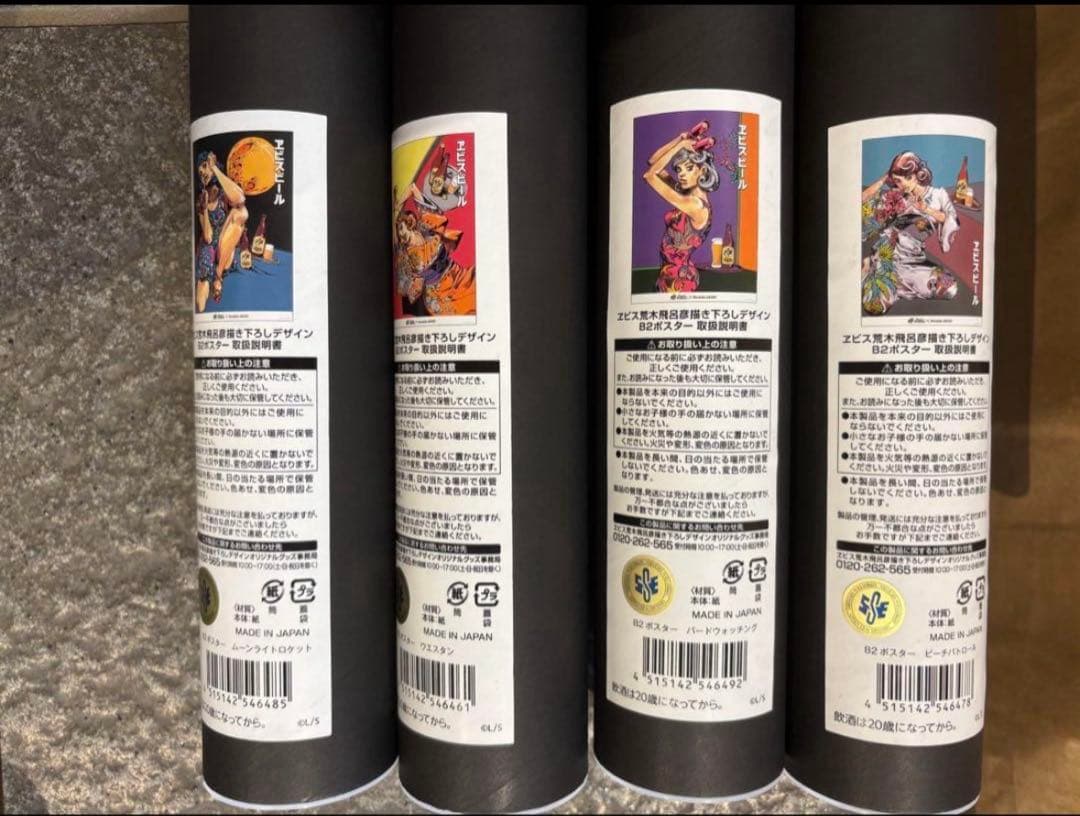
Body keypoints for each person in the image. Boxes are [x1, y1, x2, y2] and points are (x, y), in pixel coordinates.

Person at [861, 151, 960, 315]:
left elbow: (952, 220)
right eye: (897, 181)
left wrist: (926, 209)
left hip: (914, 256)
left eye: (903, 180)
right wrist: (884, 178)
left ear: (915, 175)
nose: (901, 185)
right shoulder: (897, 196)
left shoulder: (938, 195)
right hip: (890, 250)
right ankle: (876, 268)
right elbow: (862, 200)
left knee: (950, 287)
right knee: (875, 307)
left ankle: (875, 270)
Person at [642, 121, 720, 293]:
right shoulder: (686, 195)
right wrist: (680, 139)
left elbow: (649, 175)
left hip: (678, 281)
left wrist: (681, 146)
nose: (681, 175)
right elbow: (653, 162)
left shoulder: (695, 205)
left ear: (703, 171)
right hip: (669, 274)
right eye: (679, 170)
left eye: (689, 168)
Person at [194, 150, 248, 313]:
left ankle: (218, 275)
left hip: (226, 245)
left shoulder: (223, 193)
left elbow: (240, 199)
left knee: (241, 213)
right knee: (203, 280)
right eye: (200, 171)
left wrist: (215, 169)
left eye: (205, 166)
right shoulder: (201, 199)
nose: (203, 172)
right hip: (210, 247)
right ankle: (211, 286)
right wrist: (204, 209)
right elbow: (208, 237)